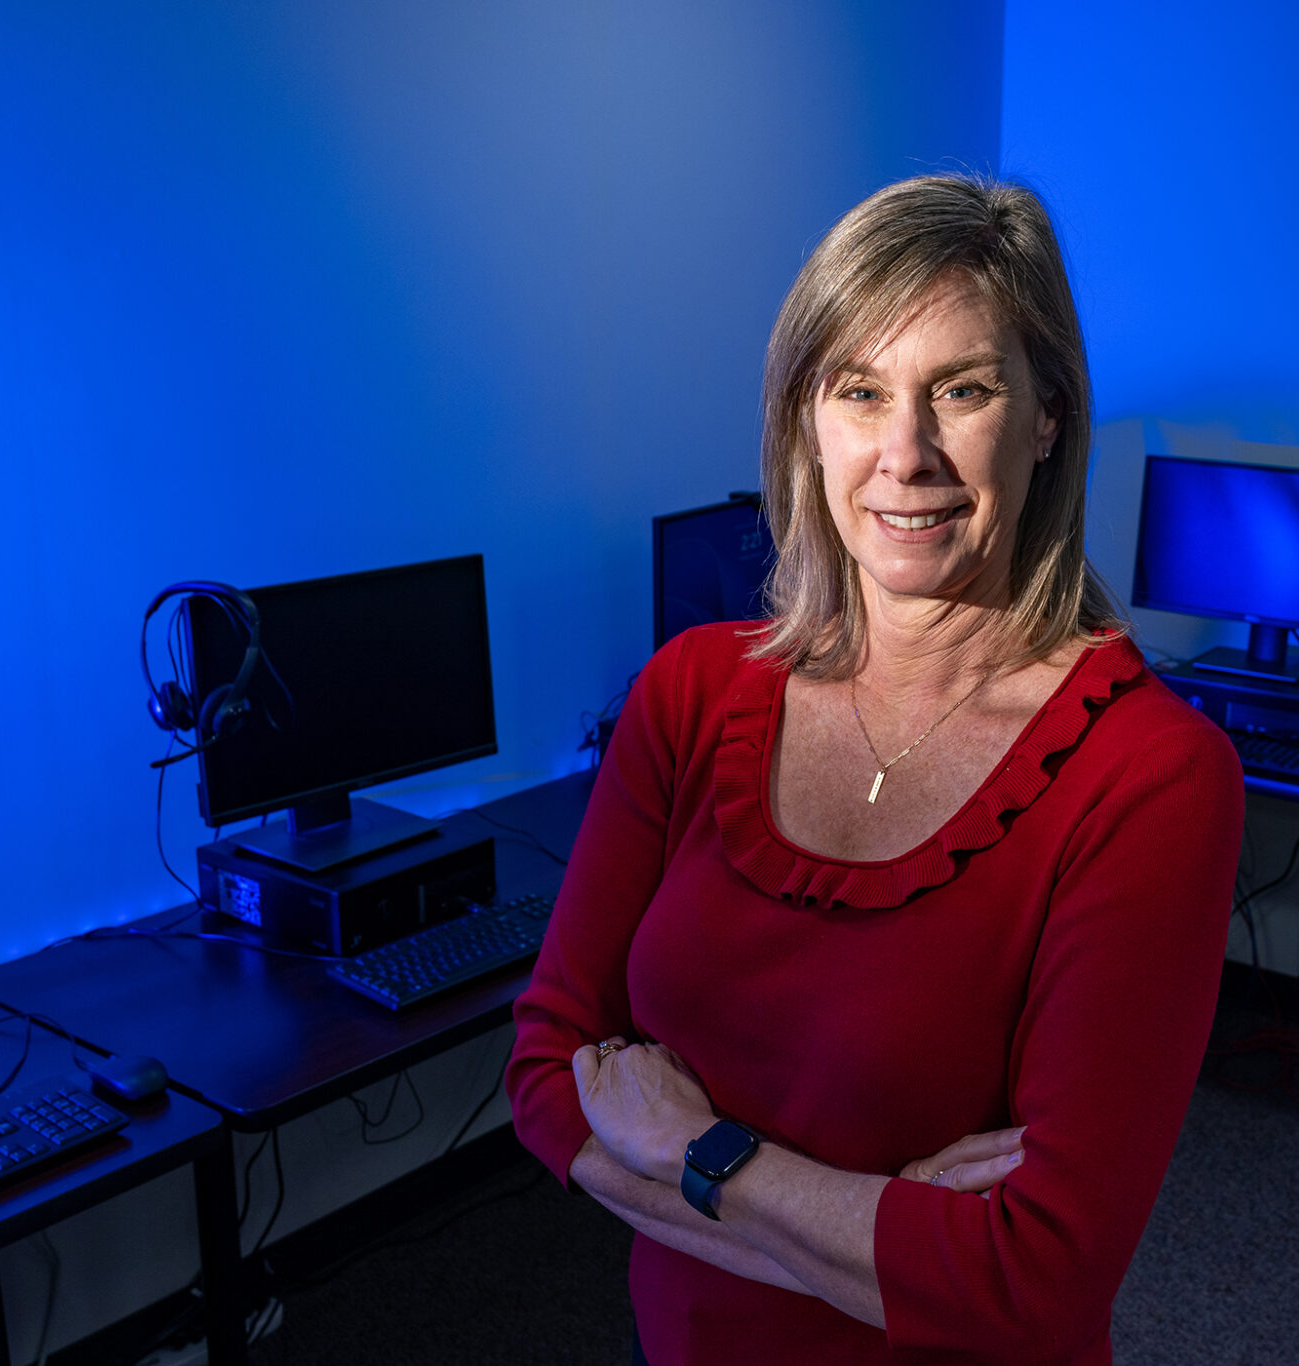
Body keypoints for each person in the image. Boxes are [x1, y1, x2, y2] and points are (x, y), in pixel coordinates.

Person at [505, 173, 1244, 1366]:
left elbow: (1030, 1281)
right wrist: (875, 1227)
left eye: (960, 390)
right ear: (807, 418)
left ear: (1045, 414)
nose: (904, 454)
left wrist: (702, 1155)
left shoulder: (1150, 777)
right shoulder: (689, 692)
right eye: (860, 391)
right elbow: (544, 1069)